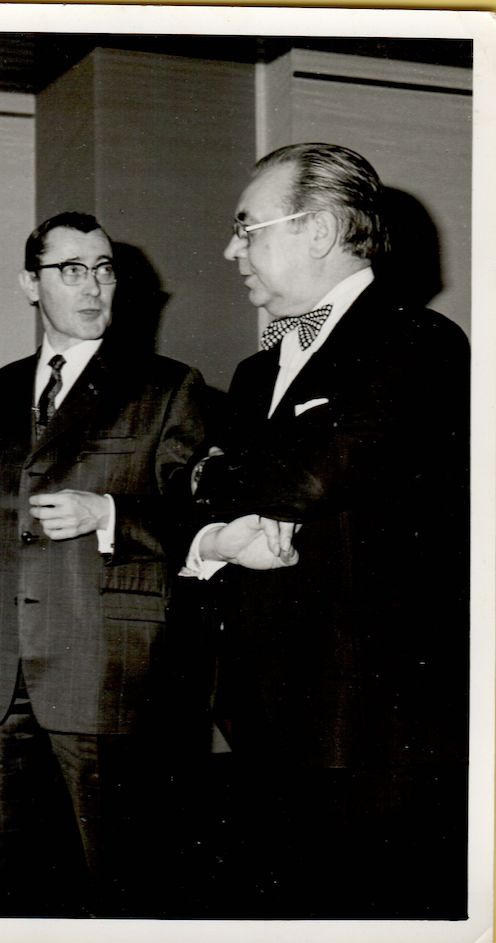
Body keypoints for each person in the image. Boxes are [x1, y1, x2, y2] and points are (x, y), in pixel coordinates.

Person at [184, 143, 470, 917]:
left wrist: (215, 474)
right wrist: (218, 520)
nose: (230, 248)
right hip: (263, 721)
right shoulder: (254, 370)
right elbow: (206, 494)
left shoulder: (419, 343)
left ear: (317, 231)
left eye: (247, 227)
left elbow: (307, 477)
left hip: (371, 737)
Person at [0, 212, 210, 917]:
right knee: (8, 873)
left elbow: (199, 521)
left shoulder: (166, 385)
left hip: (106, 665)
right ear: (29, 284)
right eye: (71, 268)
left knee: (117, 876)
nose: (93, 283)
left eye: (103, 268)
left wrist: (111, 517)